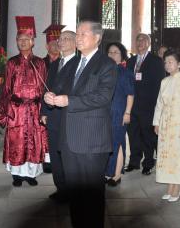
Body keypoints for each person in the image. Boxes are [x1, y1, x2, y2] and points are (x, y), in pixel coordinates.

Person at [44, 20, 117, 228]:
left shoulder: (106, 64)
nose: (78, 38)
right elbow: (61, 88)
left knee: (92, 197)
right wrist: (51, 97)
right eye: (77, 34)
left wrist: (69, 101)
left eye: (83, 33)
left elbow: (103, 96)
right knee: (75, 195)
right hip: (69, 140)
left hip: (92, 140)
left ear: (97, 38)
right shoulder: (73, 63)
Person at [0, 16, 48, 187]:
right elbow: (6, 89)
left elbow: (43, 90)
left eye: (27, 39)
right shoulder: (12, 63)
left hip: (34, 109)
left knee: (34, 141)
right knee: (17, 141)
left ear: (33, 41)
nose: (23, 42)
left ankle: (31, 175)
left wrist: (44, 111)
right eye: (20, 39)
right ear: (16, 42)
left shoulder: (40, 63)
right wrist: (4, 112)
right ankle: (17, 175)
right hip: (16, 110)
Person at [40, 30, 78, 202]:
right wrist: (44, 111)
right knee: (55, 154)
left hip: (70, 116)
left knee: (68, 155)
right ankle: (60, 188)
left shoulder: (79, 63)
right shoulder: (55, 64)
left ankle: (71, 190)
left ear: (76, 42)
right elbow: (47, 87)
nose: (61, 42)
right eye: (60, 39)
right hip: (54, 116)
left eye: (66, 38)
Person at [153, 49, 180, 202]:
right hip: (165, 124)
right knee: (167, 156)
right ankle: (170, 185)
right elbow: (159, 104)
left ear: (179, 64)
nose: (167, 65)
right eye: (166, 62)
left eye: (170, 62)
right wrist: (156, 122)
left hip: (179, 124)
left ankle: (177, 187)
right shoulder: (164, 82)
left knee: (179, 156)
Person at [125, 33, 165, 175]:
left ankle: (148, 162)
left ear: (148, 44)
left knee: (148, 136)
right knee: (133, 134)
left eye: (143, 40)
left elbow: (160, 84)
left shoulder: (156, 61)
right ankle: (134, 161)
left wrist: (157, 106)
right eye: (138, 39)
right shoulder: (130, 61)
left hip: (148, 106)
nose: (140, 42)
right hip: (132, 105)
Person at [105, 42, 134, 186]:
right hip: (104, 113)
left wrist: (127, 113)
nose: (112, 55)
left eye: (116, 52)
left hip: (119, 111)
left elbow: (130, 95)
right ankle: (107, 172)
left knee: (118, 143)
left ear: (122, 55)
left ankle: (116, 175)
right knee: (107, 143)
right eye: (110, 52)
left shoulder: (126, 72)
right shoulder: (104, 70)